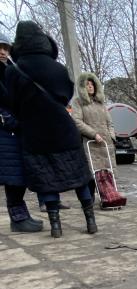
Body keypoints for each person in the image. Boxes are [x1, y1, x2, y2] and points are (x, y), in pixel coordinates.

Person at [5, 21, 97, 238]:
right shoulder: (58, 68)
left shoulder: (13, 71)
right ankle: (90, 220)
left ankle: (56, 226)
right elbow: (65, 94)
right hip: (64, 130)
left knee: (47, 178)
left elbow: (11, 103)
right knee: (79, 176)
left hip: (35, 133)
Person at [0, 32, 43, 233]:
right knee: (13, 175)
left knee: (19, 175)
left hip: (19, 130)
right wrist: (8, 119)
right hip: (5, 131)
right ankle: (17, 218)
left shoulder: (12, 69)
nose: (2, 51)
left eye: (5, 47)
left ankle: (20, 215)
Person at [72, 72, 116, 184]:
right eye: (87, 84)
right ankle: (90, 198)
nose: (90, 86)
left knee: (109, 172)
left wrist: (112, 136)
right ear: (82, 87)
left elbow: (109, 122)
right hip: (91, 142)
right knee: (93, 173)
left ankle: (110, 196)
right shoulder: (78, 102)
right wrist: (93, 134)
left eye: (92, 84)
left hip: (106, 142)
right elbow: (77, 121)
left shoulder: (100, 103)